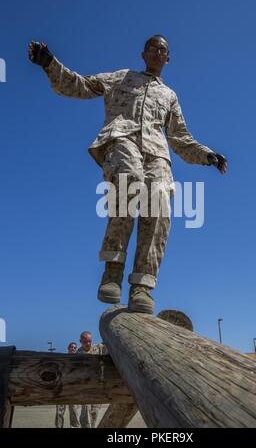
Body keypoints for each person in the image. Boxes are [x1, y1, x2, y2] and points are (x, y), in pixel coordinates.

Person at [28, 35, 227, 314]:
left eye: (164, 50)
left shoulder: (169, 96)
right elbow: (82, 85)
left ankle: (142, 285)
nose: (158, 52)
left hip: (157, 154)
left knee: (159, 205)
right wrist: (50, 64)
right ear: (143, 53)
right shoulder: (121, 78)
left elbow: (180, 138)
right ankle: (113, 270)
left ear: (168, 59)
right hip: (122, 139)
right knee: (129, 181)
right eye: (153, 48)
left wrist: (207, 155)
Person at [77, 331, 107, 428]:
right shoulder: (78, 354)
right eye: (85, 342)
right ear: (80, 341)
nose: (88, 344)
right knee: (86, 412)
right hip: (85, 387)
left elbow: (109, 346)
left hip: (98, 387)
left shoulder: (98, 348)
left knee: (94, 412)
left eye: (89, 341)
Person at [55, 342, 80, 428]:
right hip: (62, 388)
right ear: (68, 348)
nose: (73, 349)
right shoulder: (63, 359)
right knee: (59, 412)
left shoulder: (78, 361)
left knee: (74, 411)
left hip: (73, 389)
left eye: (74, 347)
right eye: (71, 347)